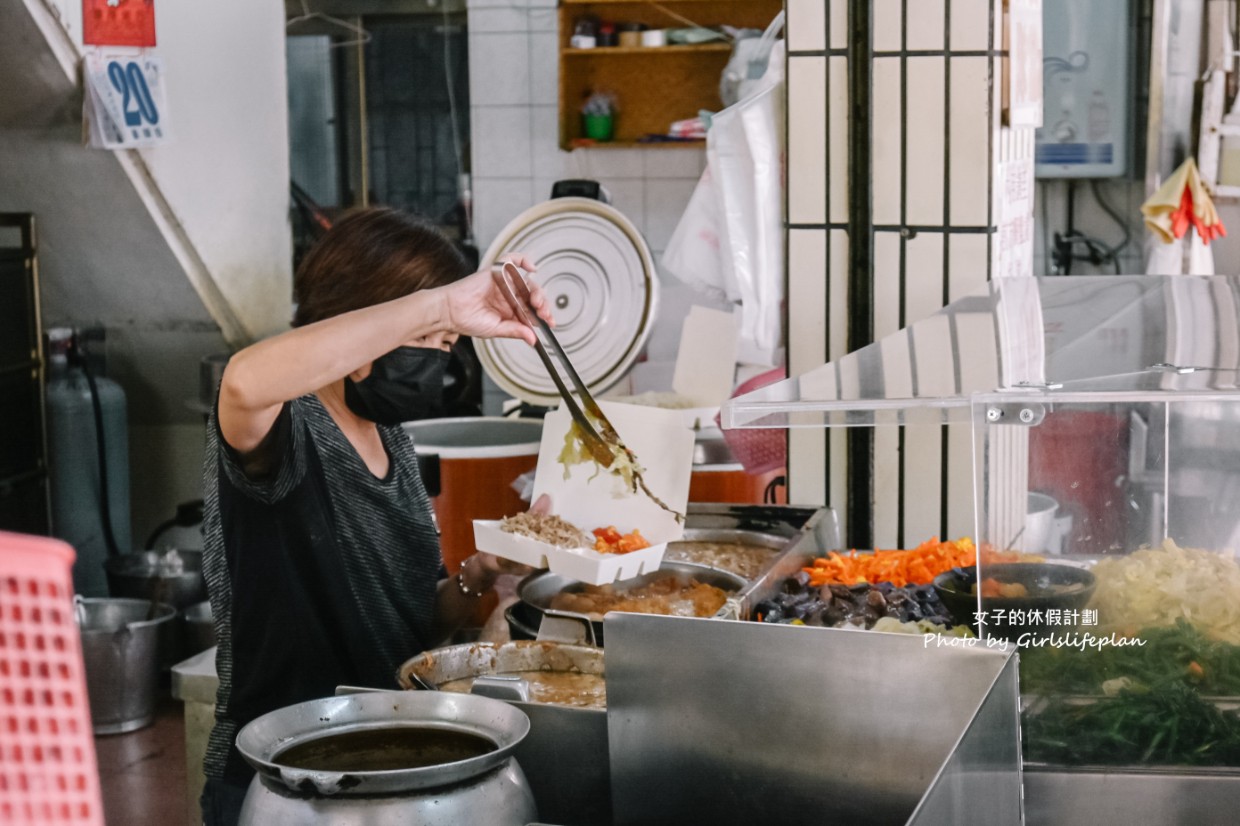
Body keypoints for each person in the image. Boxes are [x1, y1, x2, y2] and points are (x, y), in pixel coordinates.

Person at [198, 207, 550, 825]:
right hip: (287, 783)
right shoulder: (288, 424)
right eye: (430, 341)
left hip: (392, 765)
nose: (436, 364)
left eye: (446, 346)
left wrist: (479, 575)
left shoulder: (395, 443)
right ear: (363, 317)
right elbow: (243, 382)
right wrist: (439, 304)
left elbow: (412, 622)